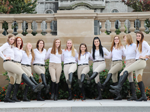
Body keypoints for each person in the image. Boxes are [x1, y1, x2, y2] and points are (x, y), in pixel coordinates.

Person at [0, 35, 43, 103]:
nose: (12, 41)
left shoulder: (11, 46)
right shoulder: (6, 45)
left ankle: (7, 98)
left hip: (11, 63)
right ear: (8, 39)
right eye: (11, 39)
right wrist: (4, 58)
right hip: (8, 63)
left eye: (13, 39)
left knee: (12, 81)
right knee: (22, 72)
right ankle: (33, 86)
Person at [110, 32, 150, 101]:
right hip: (138, 61)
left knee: (126, 70)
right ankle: (144, 96)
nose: (137, 37)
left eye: (139, 36)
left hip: (140, 61)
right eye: (137, 36)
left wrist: (145, 57)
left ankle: (118, 87)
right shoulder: (138, 44)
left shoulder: (144, 43)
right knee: (138, 79)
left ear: (142, 36)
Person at [100, 35, 125, 100]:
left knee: (110, 72)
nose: (116, 40)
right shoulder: (113, 47)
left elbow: (125, 54)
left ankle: (104, 84)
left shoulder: (122, 47)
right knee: (114, 79)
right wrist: (102, 56)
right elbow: (109, 57)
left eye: (117, 39)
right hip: (113, 63)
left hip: (118, 63)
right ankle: (118, 96)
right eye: (115, 39)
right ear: (113, 40)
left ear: (119, 40)